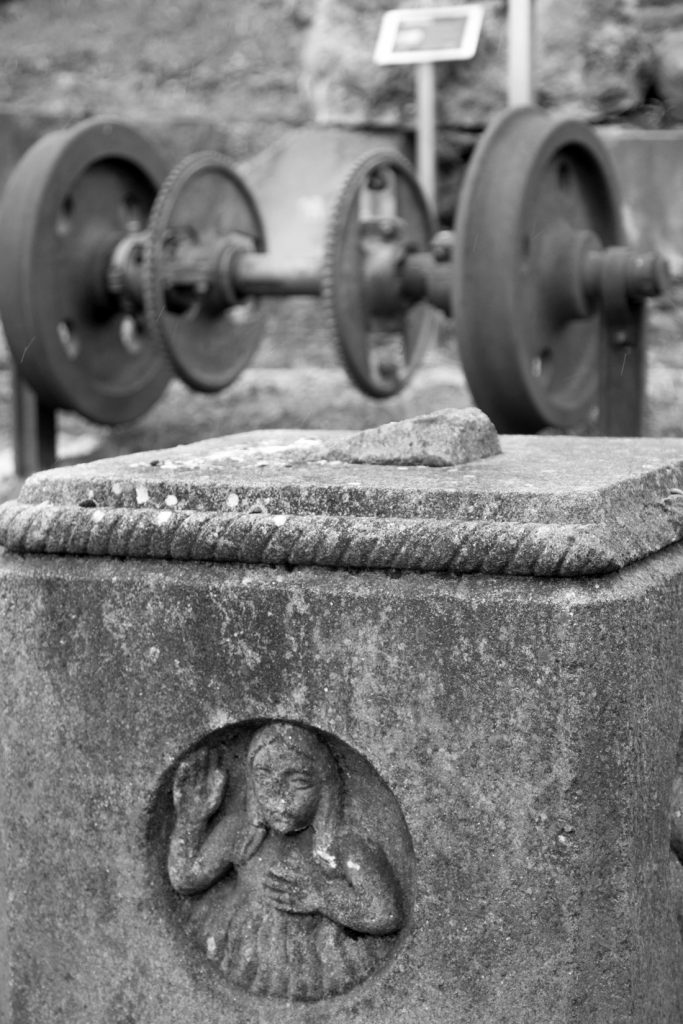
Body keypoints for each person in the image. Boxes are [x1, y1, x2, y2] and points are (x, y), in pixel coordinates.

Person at [168, 721, 405, 1001]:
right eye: (264, 779)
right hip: (244, 954)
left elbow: (385, 912)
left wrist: (321, 895)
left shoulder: (344, 847)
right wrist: (191, 820)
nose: (279, 799)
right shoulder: (239, 833)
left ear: (324, 786)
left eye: (298, 782)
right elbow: (186, 878)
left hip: (317, 965)